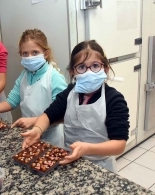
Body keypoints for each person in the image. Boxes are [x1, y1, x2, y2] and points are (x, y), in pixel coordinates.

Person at [21, 40, 130, 173]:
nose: (88, 72)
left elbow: (119, 144)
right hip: (70, 162)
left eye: (95, 66)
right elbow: (48, 115)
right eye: (81, 67)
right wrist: (37, 130)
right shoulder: (70, 93)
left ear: (105, 69)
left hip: (100, 166)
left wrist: (87, 148)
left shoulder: (114, 99)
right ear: (72, 72)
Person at [0, 29, 67, 146]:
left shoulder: (54, 78)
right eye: (25, 53)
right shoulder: (24, 75)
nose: (29, 57)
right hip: (28, 136)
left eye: (35, 53)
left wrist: (34, 121)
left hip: (51, 139)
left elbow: (62, 114)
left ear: (45, 53)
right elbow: (11, 102)